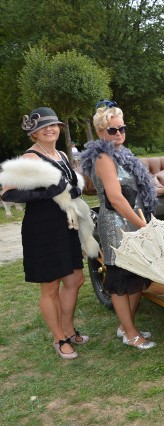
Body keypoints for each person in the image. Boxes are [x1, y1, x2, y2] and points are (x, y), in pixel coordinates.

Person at [80, 100, 164, 350]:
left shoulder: (124, 154)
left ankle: (125, 326)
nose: (119, 134)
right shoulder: (103, 157)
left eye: (122, 128)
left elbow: (136, 190)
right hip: (116, 222)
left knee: (137, 276)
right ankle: (131, 333)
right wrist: (143, 226)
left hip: (133, 219)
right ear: (101, 133)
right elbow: (115, 198)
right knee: (122, 278)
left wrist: (162, 189)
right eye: (113, 130)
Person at [0, 107, 91, 360]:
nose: (50, 129)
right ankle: (59, 338)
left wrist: (73, 191)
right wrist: (45, 194)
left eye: (54, 125)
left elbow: (67, 186)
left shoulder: (61, 154)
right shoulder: (30, 159)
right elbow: (7, 193)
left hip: (66, 224)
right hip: (42, 228)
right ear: (34, 133)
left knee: (74, 281)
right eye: (43, 127)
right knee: (50, 286)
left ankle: (69, 329)